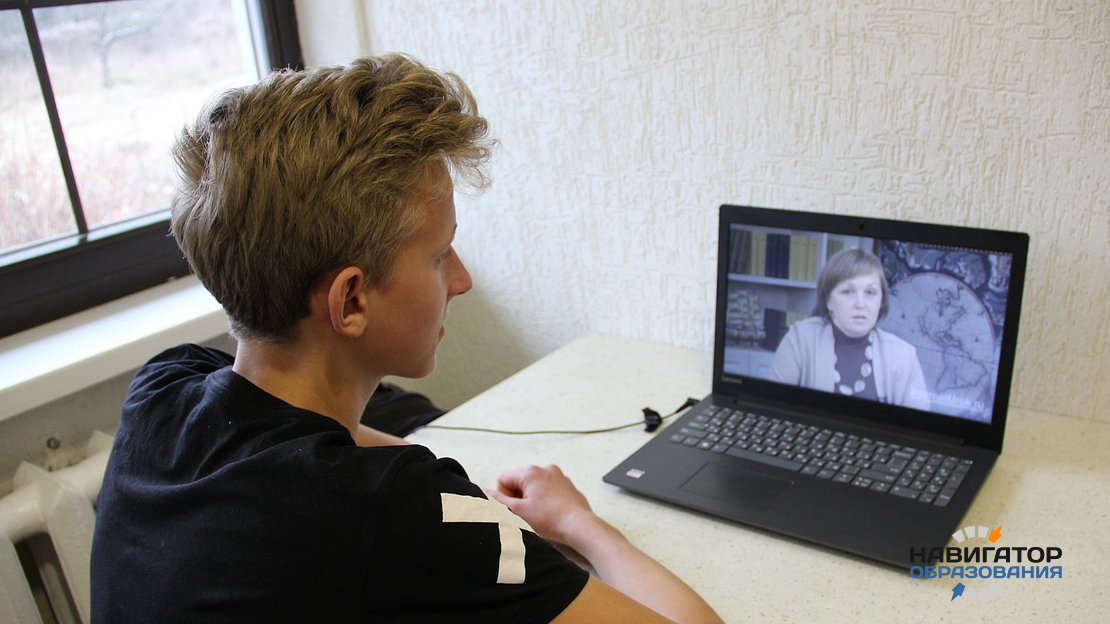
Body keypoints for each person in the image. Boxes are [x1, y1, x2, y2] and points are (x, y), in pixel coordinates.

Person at [89, 54, 722, 623]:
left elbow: (327, 442)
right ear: (351, 301)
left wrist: (464, 501)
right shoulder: (389, 516)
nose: (462, 280)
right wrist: (583, 525)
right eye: (439, 255)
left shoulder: (162, 391)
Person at [769, 247, 930, 410]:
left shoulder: (904, 356)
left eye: (870, 292)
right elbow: (773, 408)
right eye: (848, 292)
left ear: (881, 300)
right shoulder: (799, 340)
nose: (861, 304)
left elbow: (918, 423)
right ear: (828, 300)